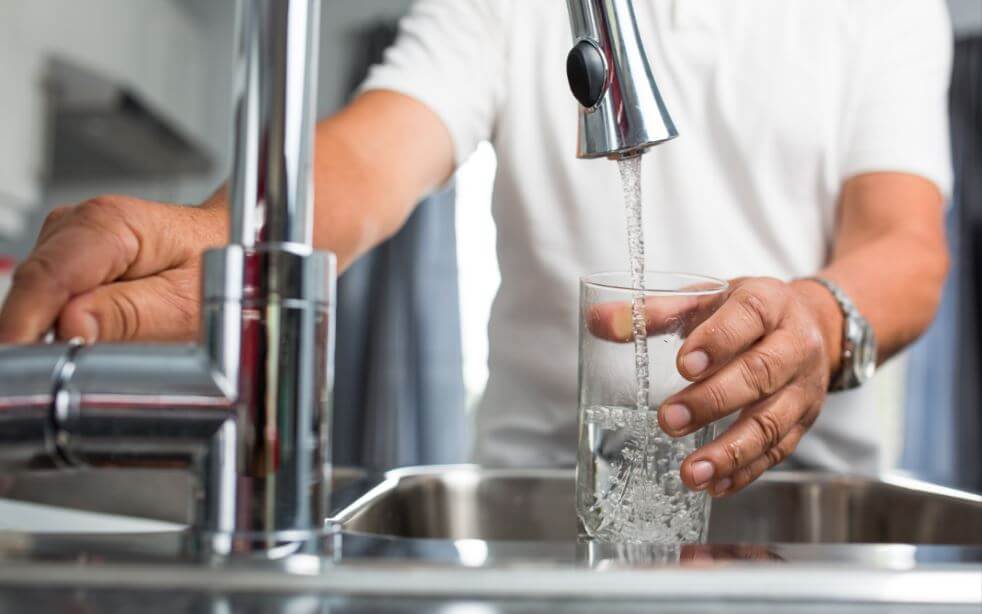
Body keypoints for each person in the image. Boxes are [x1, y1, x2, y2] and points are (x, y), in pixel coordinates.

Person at [0, 0, 953, 498]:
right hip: (547, 493)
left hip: (815, 499)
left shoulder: (875, 7)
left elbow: (905, 246)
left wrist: (821, 323)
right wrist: (216, 243)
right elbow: (375, 157)